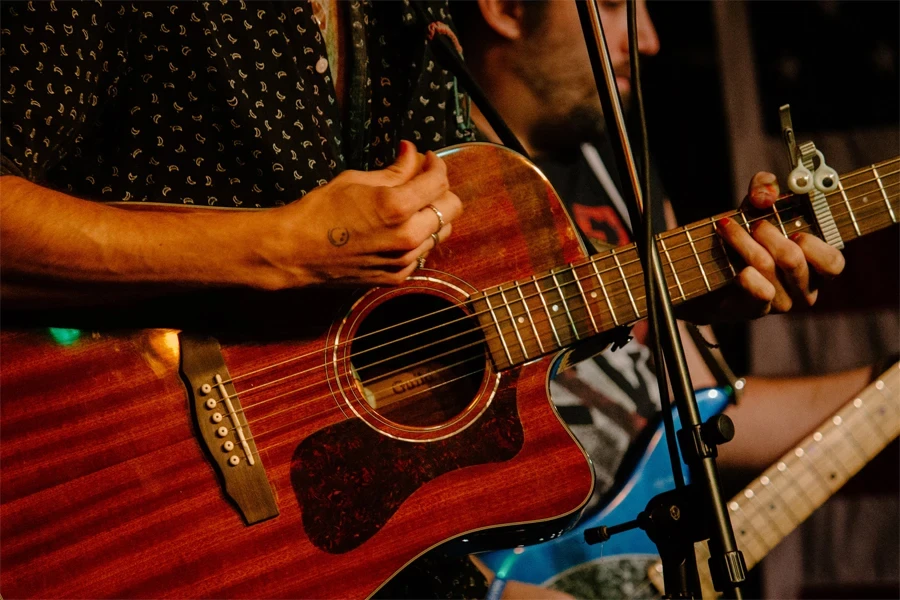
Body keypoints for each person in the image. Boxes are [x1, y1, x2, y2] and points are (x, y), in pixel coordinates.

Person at [0, 1, 870, 599]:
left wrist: (683, 287)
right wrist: (274, 250)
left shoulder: (398, 16)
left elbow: (455, 302)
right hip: (107, 490)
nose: (643, 35)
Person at [451, 0, 879, 594]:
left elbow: (699, 414)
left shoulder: (618, 166)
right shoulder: (429, 176)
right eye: (612, 7)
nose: (649, 39)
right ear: (507, 9)